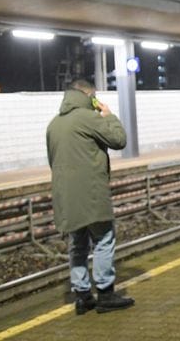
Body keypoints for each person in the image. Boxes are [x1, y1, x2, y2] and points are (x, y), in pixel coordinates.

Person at [46, 79, 135, 315]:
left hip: (66, 195)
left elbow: (51, 160)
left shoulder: (54, 124)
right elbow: (119, 140)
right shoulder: (89, 117)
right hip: (92, 194)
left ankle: (83, 296)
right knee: (104, 239)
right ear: (89, 96)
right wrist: (109, 116)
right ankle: (106, 294)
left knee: (77, 244)